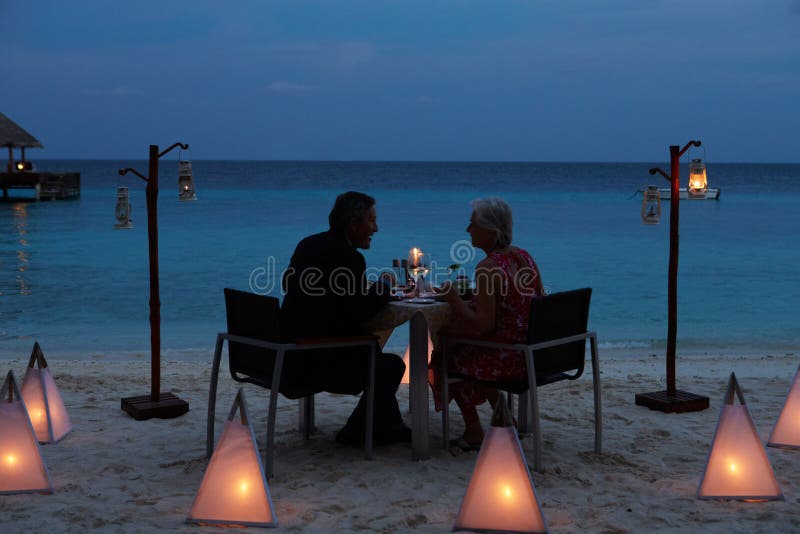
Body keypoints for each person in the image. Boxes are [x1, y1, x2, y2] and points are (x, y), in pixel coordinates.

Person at [281, 191, 411, 446]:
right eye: (371, 221)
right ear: (353, 224)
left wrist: (364, 292)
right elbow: (358, 312)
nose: (376, 228)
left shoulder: (307, 244)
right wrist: (384, 286)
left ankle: (391, 425)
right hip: (318, 363)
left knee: (373, 350)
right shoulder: (350, 258)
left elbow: (310, 294)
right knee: (391, 365)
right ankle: (355, 432)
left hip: (287, 355)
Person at [429, 197, 544, 450]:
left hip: (510, 361)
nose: (468, 230)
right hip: (532, 354)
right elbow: (540, 302)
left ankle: (473, 430)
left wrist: (453, 299)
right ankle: (506, 419)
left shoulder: (487, 267)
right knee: (467, 345)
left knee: (447, 351)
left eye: (472, 225)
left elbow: (483, 326)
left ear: (491, 231)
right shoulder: (523, 257)